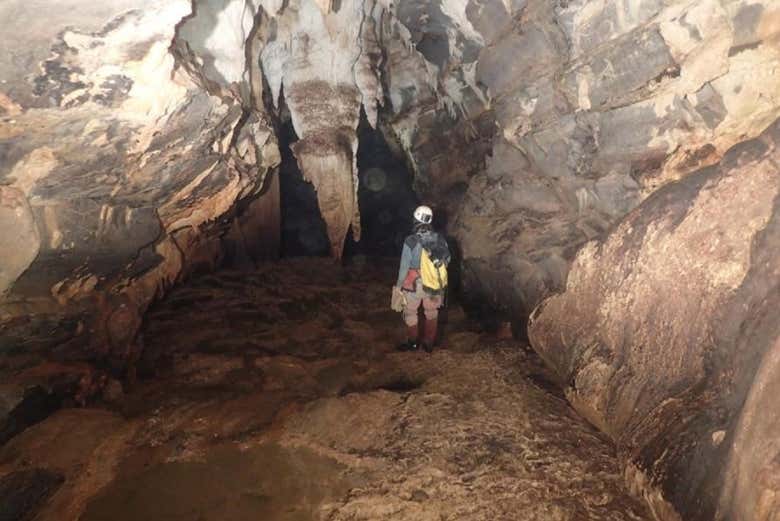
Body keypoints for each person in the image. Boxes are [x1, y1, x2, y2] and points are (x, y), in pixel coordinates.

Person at [394, 205, 451, 353]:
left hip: (415, 284)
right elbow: (447, 260)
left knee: (411, 313)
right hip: (433, 284)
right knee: (431, 312)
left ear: (415, 219)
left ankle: (413, 343)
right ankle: (428, 344)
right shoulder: (440, 239)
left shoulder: (410, 241)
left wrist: (399, 286)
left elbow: (404, 266)